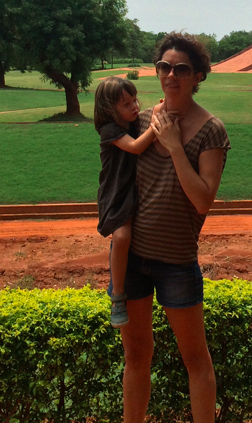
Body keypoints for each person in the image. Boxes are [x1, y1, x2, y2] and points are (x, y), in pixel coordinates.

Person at [116, 32, 231, 423]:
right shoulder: (142, 121)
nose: (171, 75)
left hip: (176, 261)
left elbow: (202, 199)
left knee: (195, 359)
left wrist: (175, 145)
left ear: (198, 76)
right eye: (164, 67)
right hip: (132, 259)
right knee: (136, 356)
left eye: (182, 69)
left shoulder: (210, 130)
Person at [94, 76, 158, 327]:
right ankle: (118, 295)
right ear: (110, 110)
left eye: (135, 101)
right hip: (116, 192)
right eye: (126, 104)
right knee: (121, 238)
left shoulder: (131, 121)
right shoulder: (110, 130)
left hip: (133, 189)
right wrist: (157, 126)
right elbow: (135, 147)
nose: (134, 107)